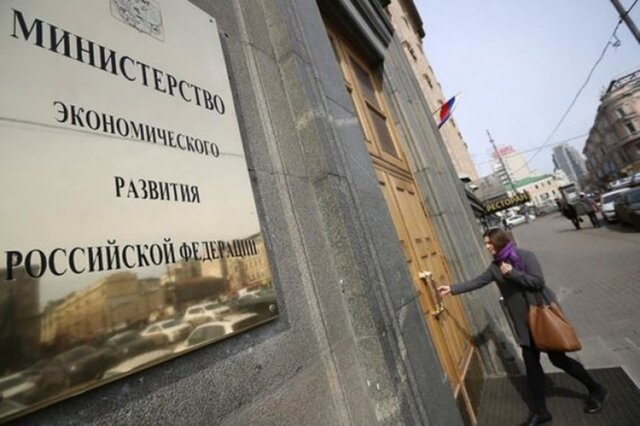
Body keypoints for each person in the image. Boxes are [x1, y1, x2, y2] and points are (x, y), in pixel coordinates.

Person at [437, 228, 607, 425]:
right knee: (532, 365)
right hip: (523, 324)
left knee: (559, 360)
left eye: (490, 242)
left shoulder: (525, 256)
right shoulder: (495, 267)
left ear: (499, 241)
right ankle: (541, 412)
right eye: (486, 243)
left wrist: (513, 274)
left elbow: (538, 283)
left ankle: (596, 389)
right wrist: (452, 289)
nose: (487, 246)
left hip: (541, 317)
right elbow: (478, 282)